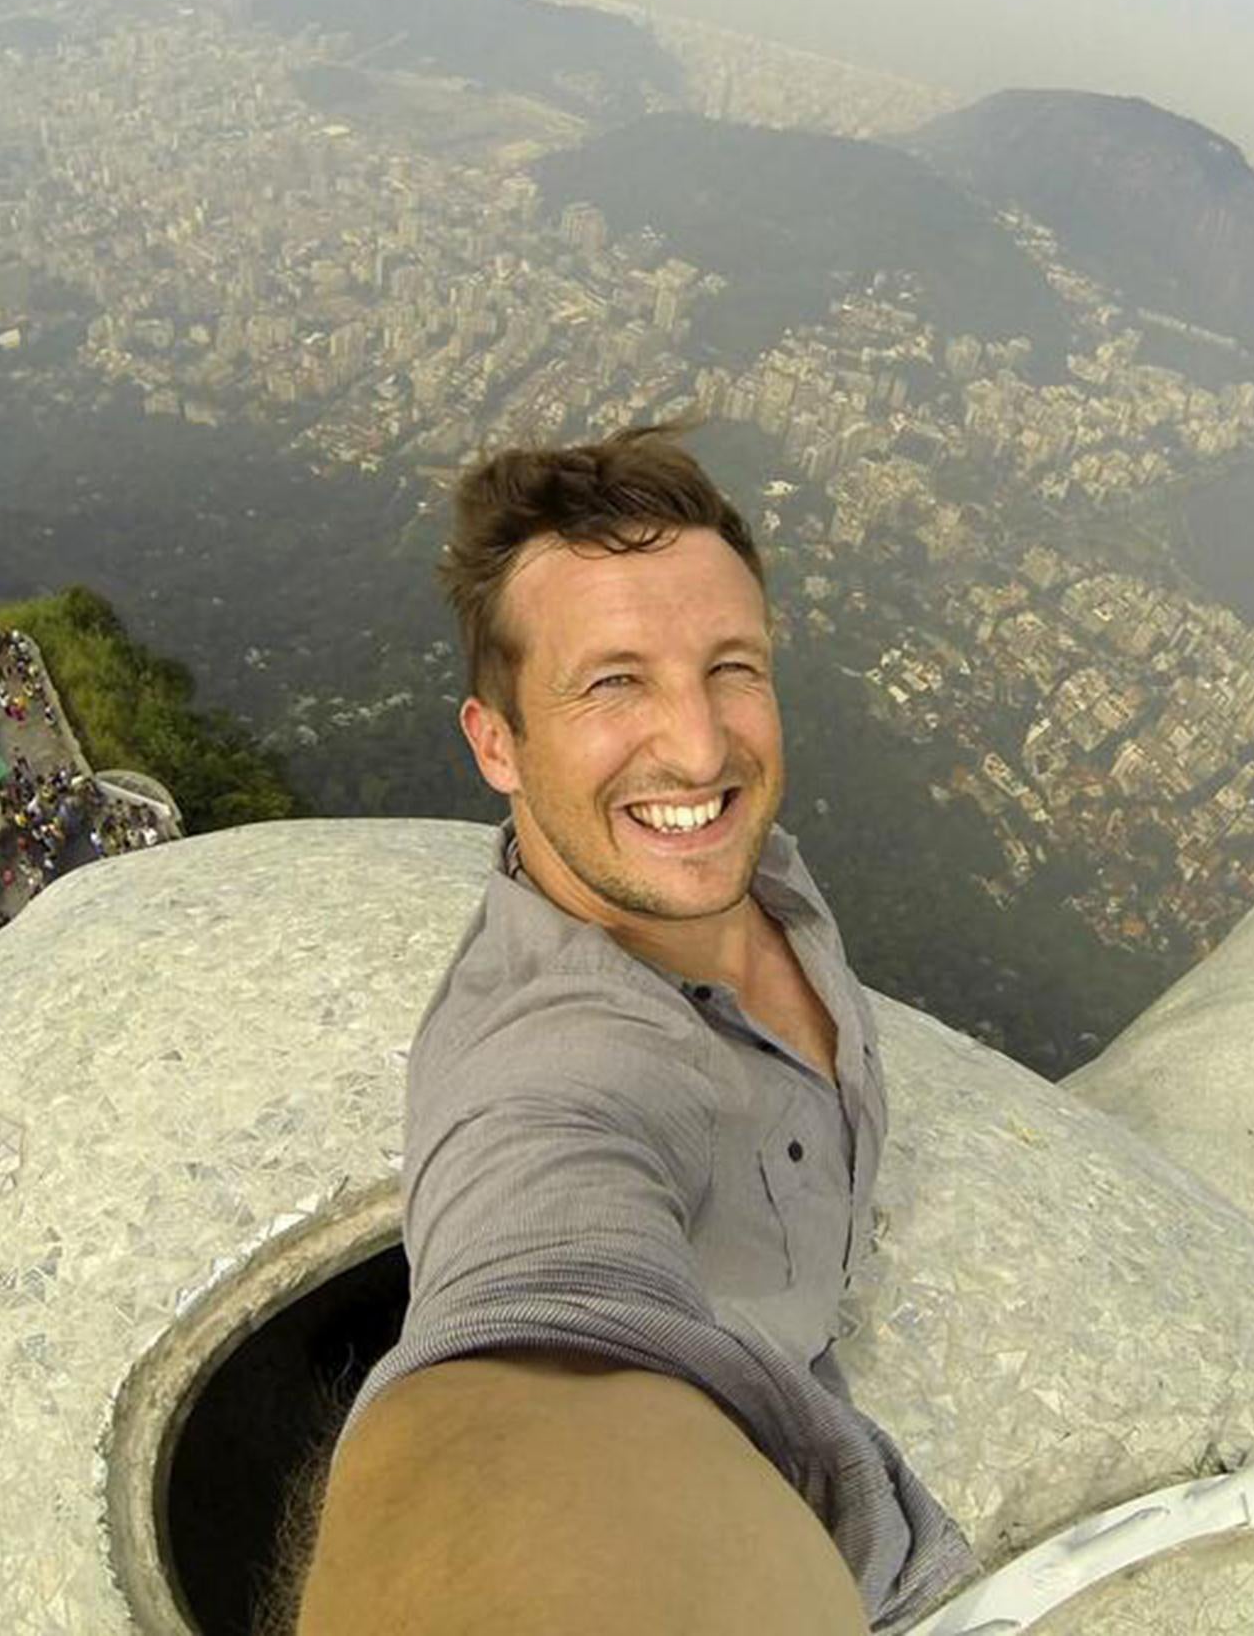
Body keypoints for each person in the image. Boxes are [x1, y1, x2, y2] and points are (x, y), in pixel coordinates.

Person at [290, 425, 976, 1635]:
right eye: (613, 682)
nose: (702, 746)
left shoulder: (762, 879)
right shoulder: (551, 1067)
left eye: (731, 667)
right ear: (495, 743)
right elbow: (526, 1349)